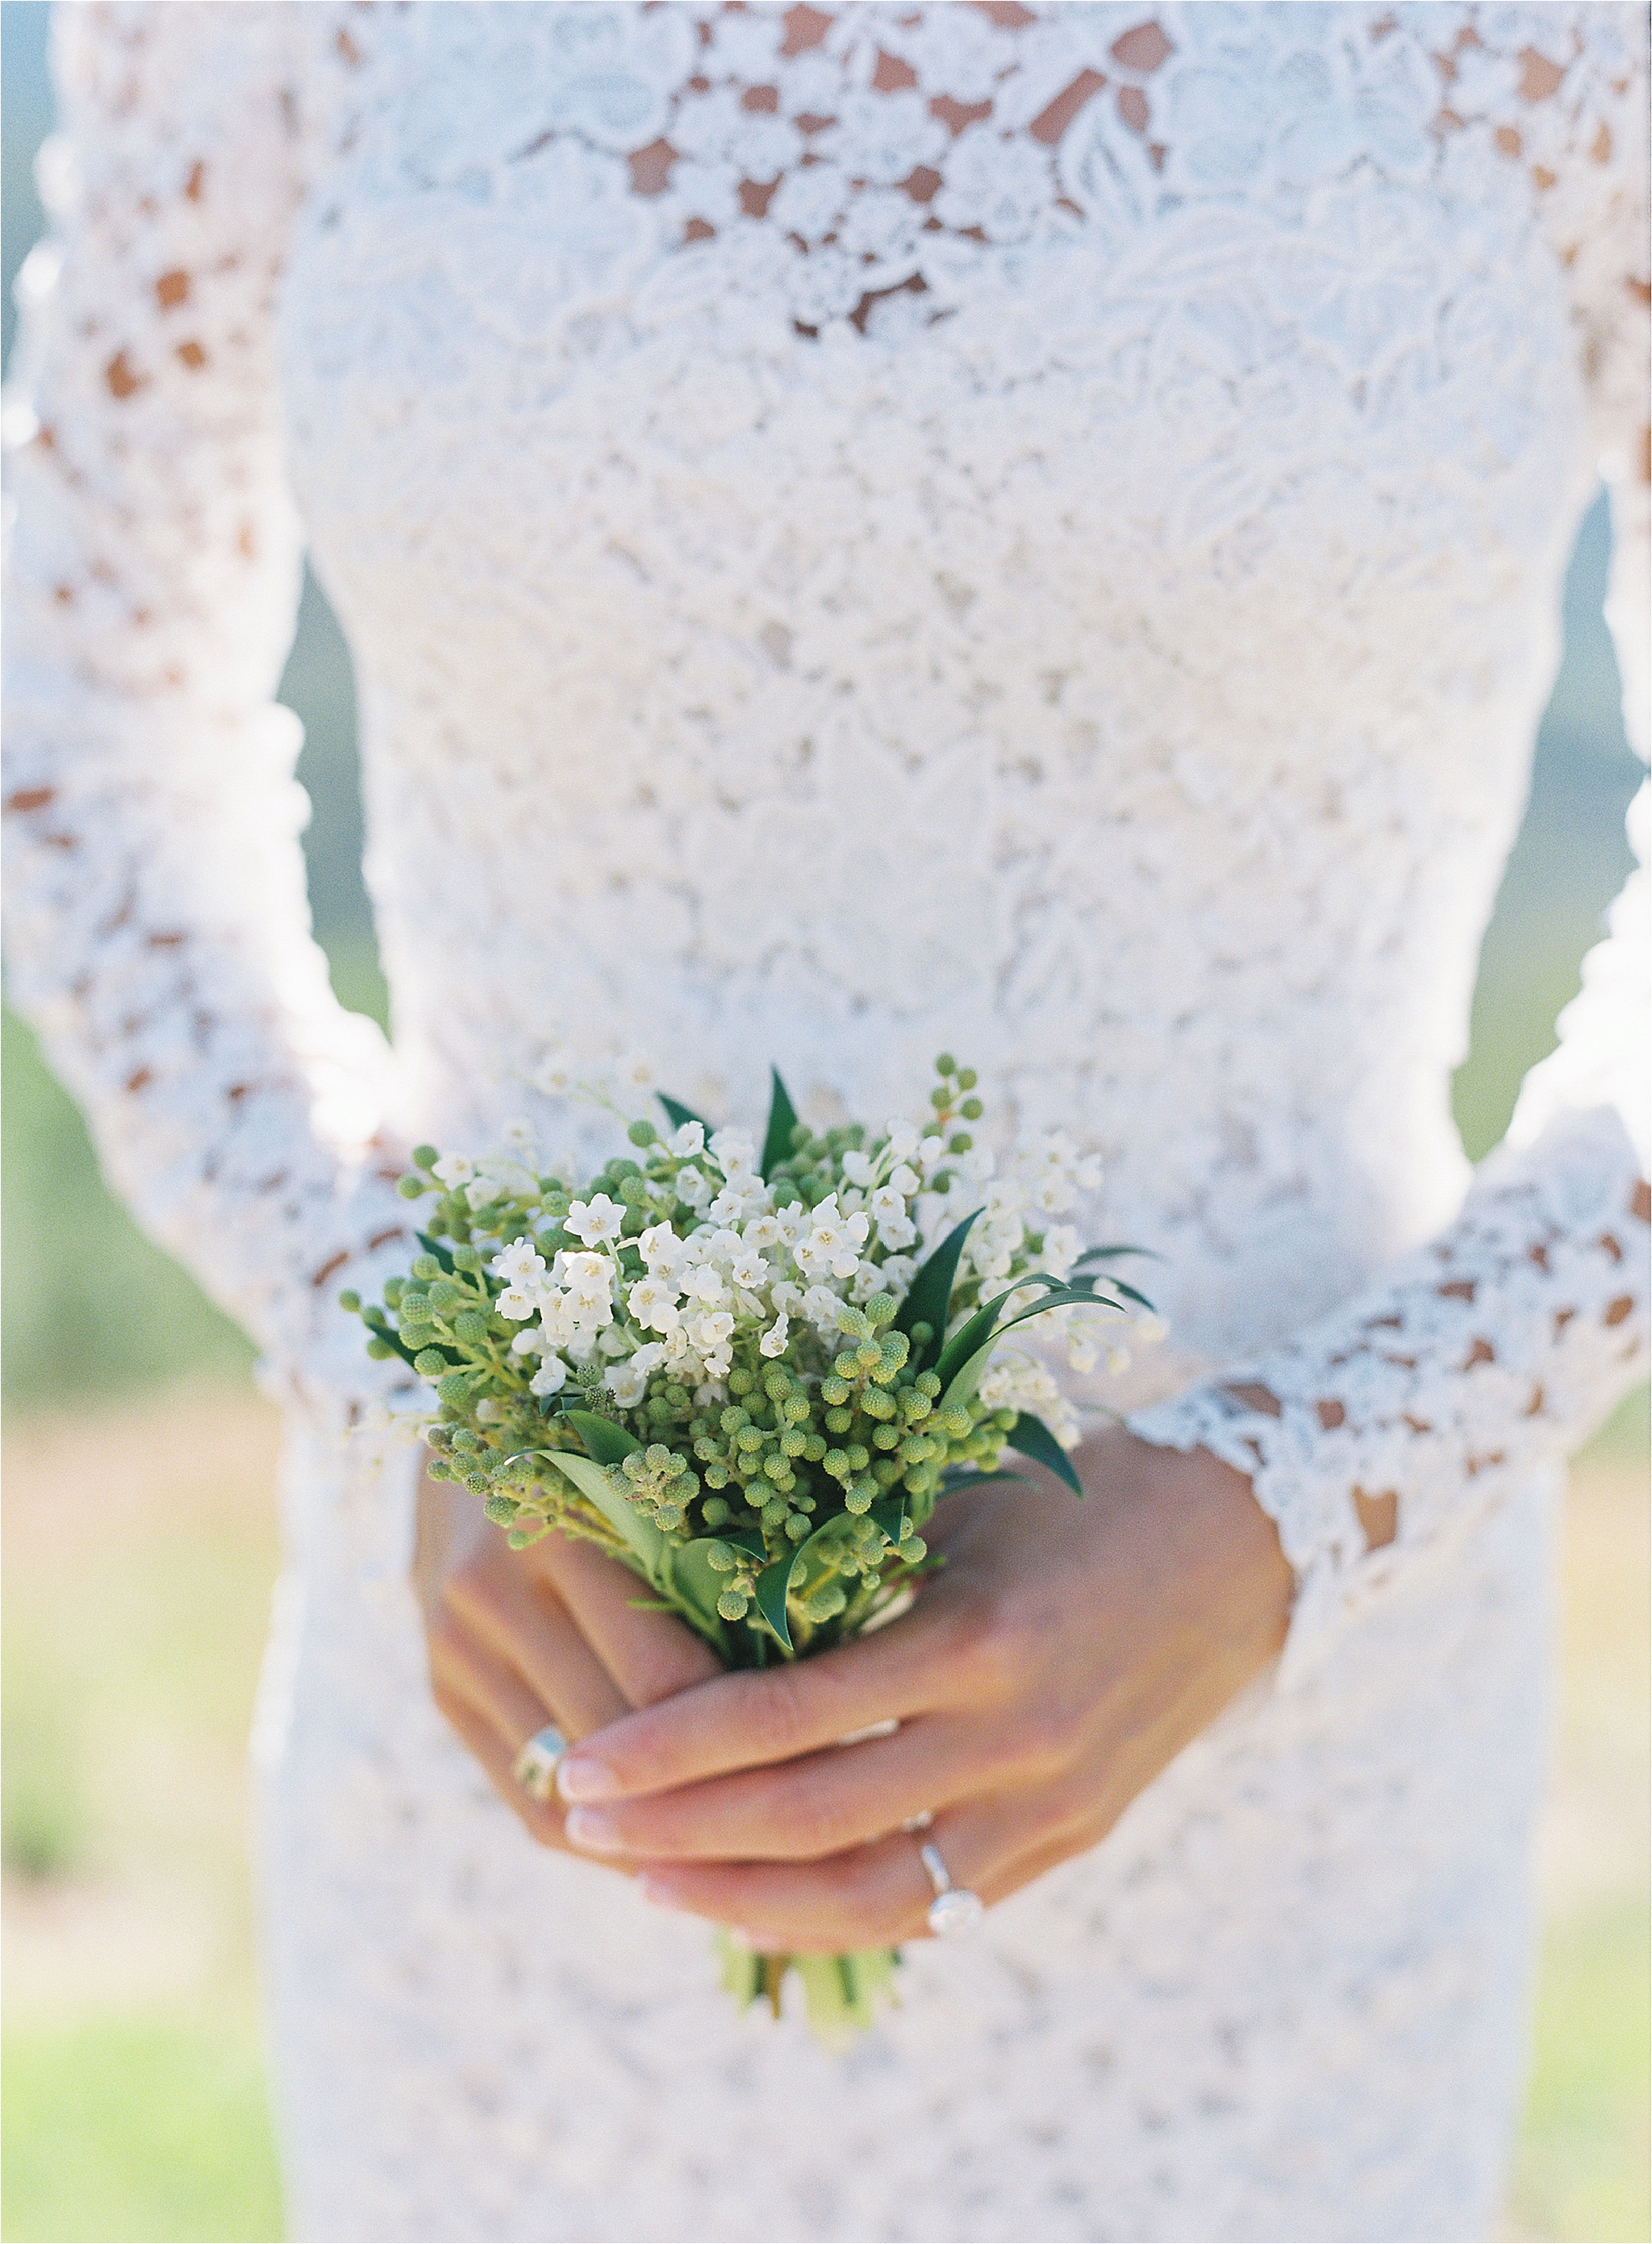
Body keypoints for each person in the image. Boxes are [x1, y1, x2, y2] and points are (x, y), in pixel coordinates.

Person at [5, 5, 1646, 2238]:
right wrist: (397, 1359)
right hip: (527, 1744)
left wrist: (1299, 1504)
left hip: (1277, 1779)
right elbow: (78, 744)